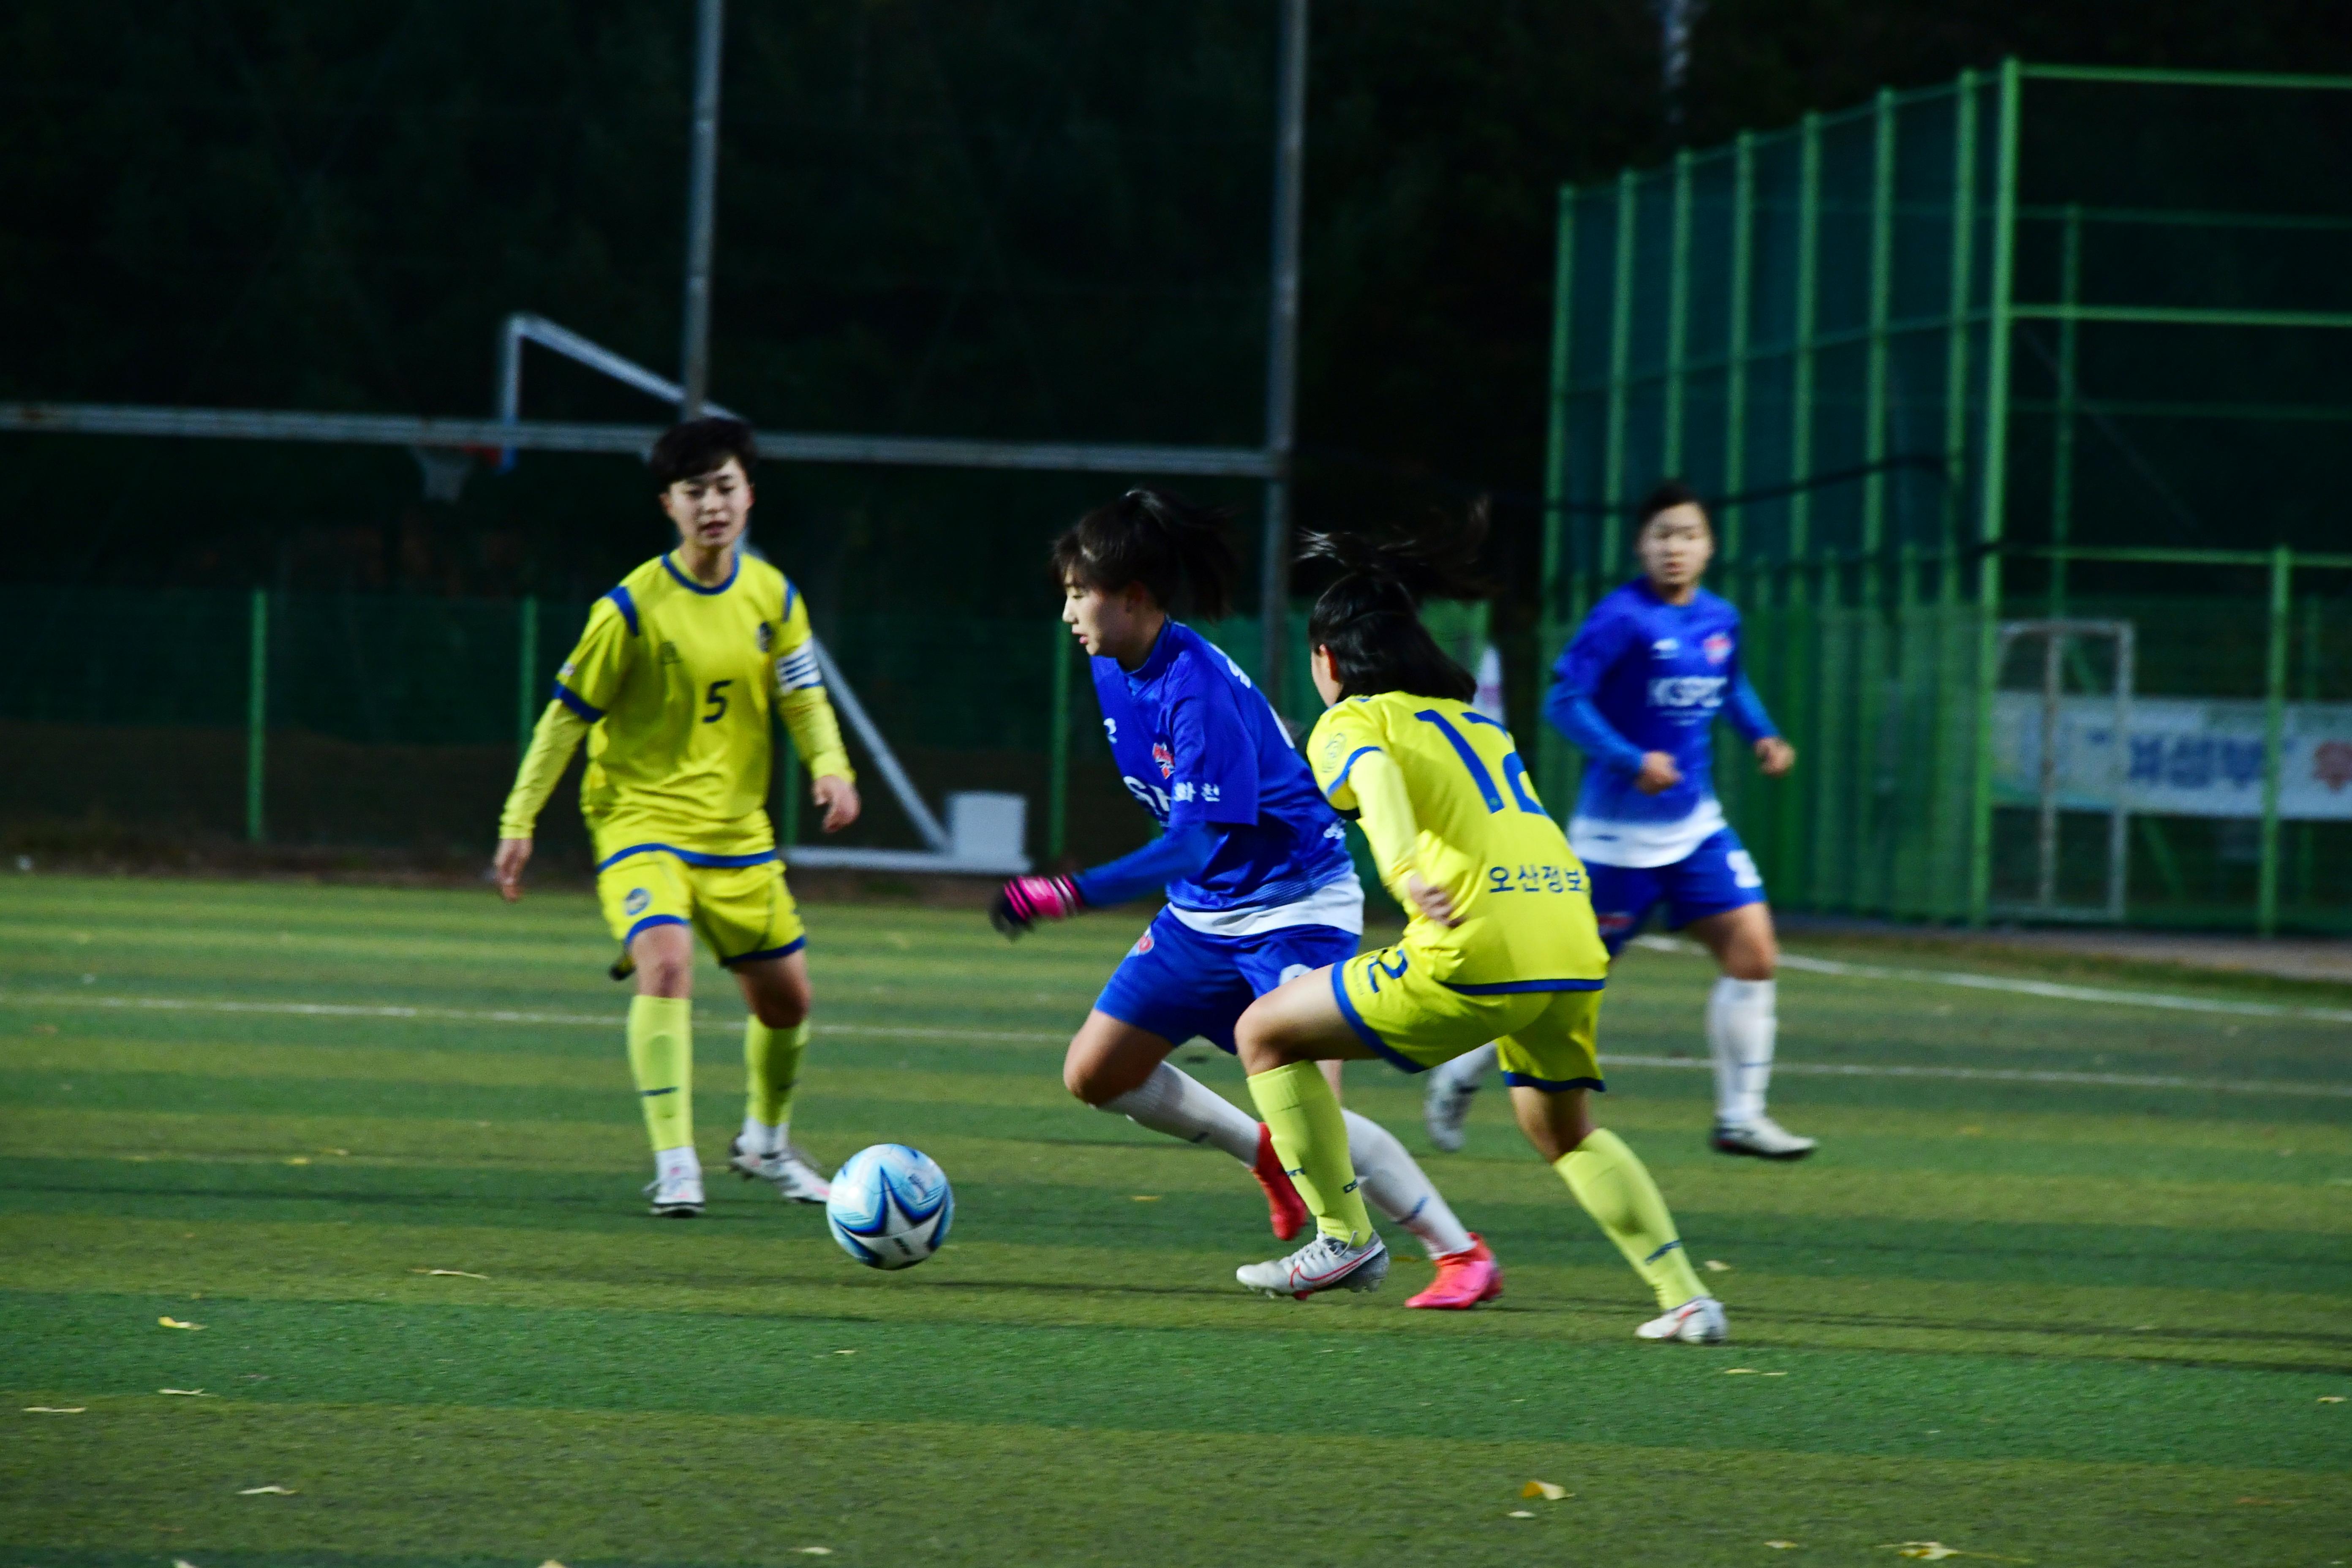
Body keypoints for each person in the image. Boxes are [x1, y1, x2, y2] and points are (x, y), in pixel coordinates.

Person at [990, 487, 1500, 1309]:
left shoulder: (1199, 693)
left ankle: (1460, 1251)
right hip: (1206, 908)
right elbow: (1196, 854)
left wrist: (1068, 892)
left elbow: (1192, 840)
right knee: (1095, 1073)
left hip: (1295, 900)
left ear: (1135, 597)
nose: (1067, 614)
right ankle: (1264, 1152)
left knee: (1312, 1106)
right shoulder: (1109, 660)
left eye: (1077, 593)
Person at [1226, 509, 1726, 1343]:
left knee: (1265, 1032)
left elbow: (1377, 780)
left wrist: (1404, 872)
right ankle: (1686, 1296)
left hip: (1478, 943)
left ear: (1327, 658)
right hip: (1571, 938)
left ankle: (1344, 1237)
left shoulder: (1353, 719)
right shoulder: (1477, 721)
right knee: (1564, 1132)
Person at [492, 416, 861, 1217]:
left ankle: (765, 1143)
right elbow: (564, 720)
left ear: (749, 494)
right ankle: (676, 1164)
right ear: (669, 505)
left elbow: (803, 697)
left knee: (788, 1001)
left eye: (725, 487)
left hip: (736, 836)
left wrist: (831, 768)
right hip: (638, 822)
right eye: (695, 492)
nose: (713, 505)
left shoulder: (774, 597)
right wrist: (518, 820)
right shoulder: (628, 609)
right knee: (667, 964)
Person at [1421, 480, 1814, 1162]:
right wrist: (1632, 758)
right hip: (1615, 843)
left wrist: (1763, 735)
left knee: (1755, 955)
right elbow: (1564, 701)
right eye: (1662, 536)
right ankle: (1459, 1073)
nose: (1675, 548)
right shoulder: (1620, 617)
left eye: (1688, 535)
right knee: (1555, 986)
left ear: (1709, 547)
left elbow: (1732, 686)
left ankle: (1741, 1117)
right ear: (1641, 545)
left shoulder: (1720, 618)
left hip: (1696, 830)